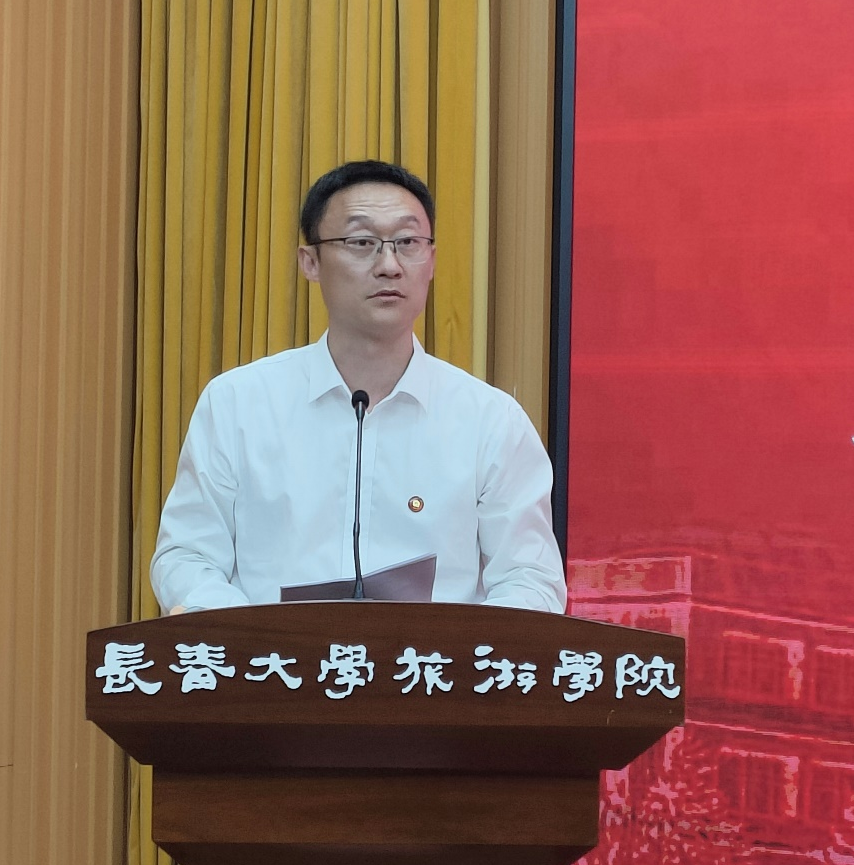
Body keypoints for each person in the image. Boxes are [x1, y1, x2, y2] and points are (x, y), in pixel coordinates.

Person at [150, 160, 566, 613]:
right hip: (271, 656)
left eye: (408, 243)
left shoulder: (491, 421)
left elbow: (531, 578)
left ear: (431, 262)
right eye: (361, 242)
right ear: (310, 262)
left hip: (431, 659)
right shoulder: (238, 403)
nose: (389, 265)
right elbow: (187, 556)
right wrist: (250, 637)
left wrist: (459, 646)